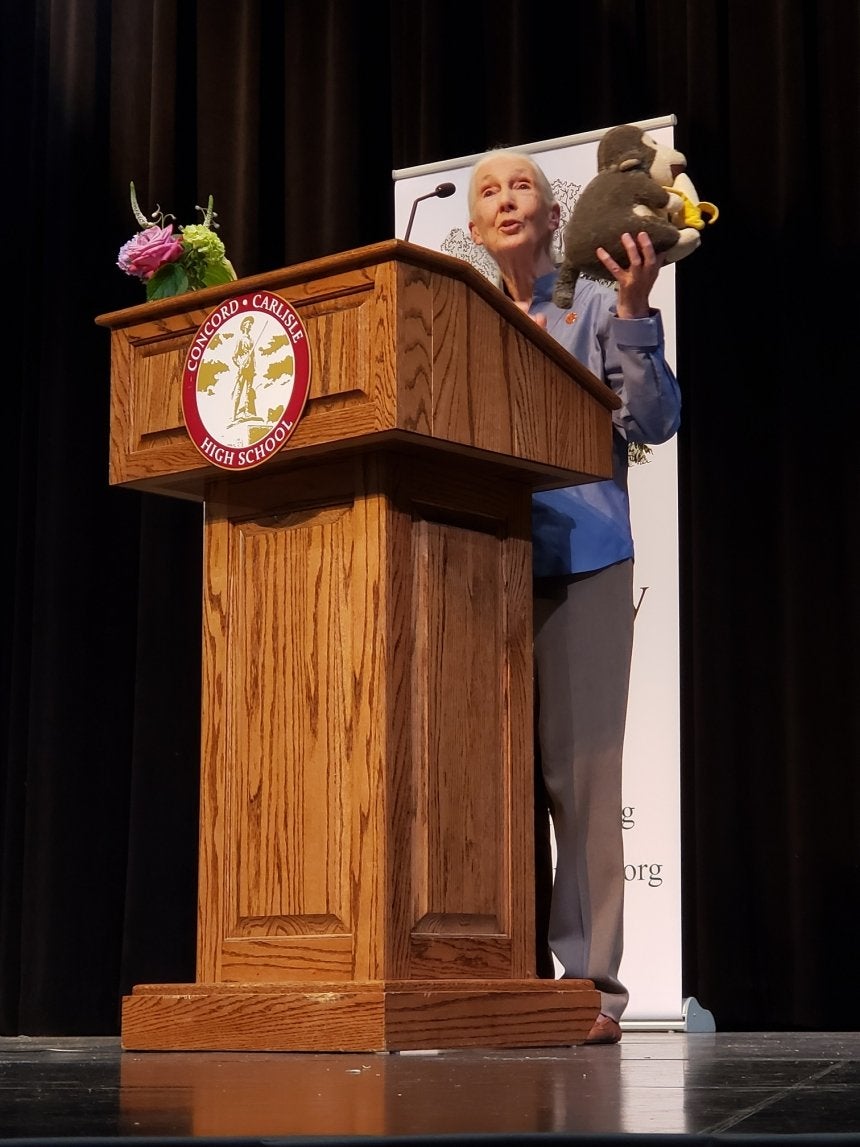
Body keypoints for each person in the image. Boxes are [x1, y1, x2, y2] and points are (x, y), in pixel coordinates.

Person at [467, 148, 682, 1045]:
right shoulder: (463, 316)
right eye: (488, 191)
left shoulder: (591, 303)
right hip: (475, 568)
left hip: (581, 559)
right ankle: (492, 977)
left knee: (581, 781)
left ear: (555, 216)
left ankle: (590, 987)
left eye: (521, 186)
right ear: (472, 228)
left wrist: (634, 311)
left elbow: (654, 420)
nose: (506, 200)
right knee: (484, 784)